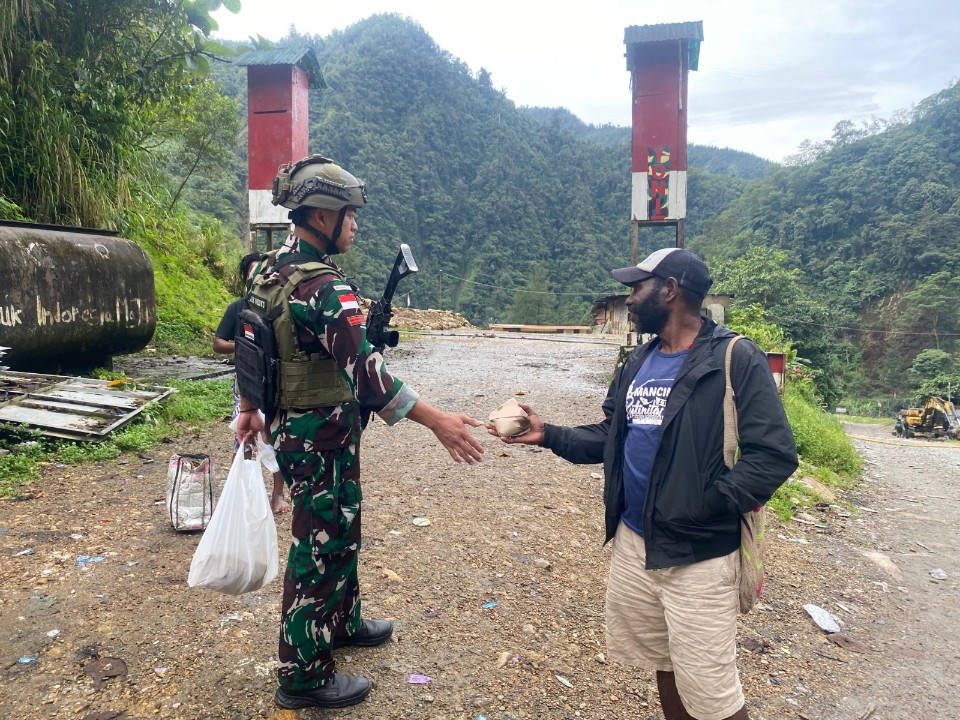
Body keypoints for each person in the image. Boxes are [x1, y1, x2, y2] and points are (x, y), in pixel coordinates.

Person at [489, 248, 798, 720]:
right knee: (664, 662)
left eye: (638, 289)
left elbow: (774, 455)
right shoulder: (639, 360)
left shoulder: (736, 357)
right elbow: (611, 434)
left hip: (699, 554)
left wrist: (706, 506)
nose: (630, 300)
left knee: (713, 691)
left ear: (670, 290)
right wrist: (548, 434)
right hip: (635, 543)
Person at [235, 154, 485, 710]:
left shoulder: (266, 268)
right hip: (319, 433)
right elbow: (369, 376)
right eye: (350, 214)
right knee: (317, 545)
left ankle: (341, 622)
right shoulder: (323, 288)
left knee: (342, 523)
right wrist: (438, 421)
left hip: (300, 427)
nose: (356, 224)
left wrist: (250, 407)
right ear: (322, 216)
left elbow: (248, 344)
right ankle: (302, 674)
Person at [214, 252, 290, 514]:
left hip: (277, 383)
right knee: (245, 438)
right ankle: (246, 493)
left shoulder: (280, 307)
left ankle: (277, 494)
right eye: (252, 275)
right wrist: (250, 348)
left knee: (276, 436)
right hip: (246, 383)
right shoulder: (238, 308)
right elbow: (218, 343)